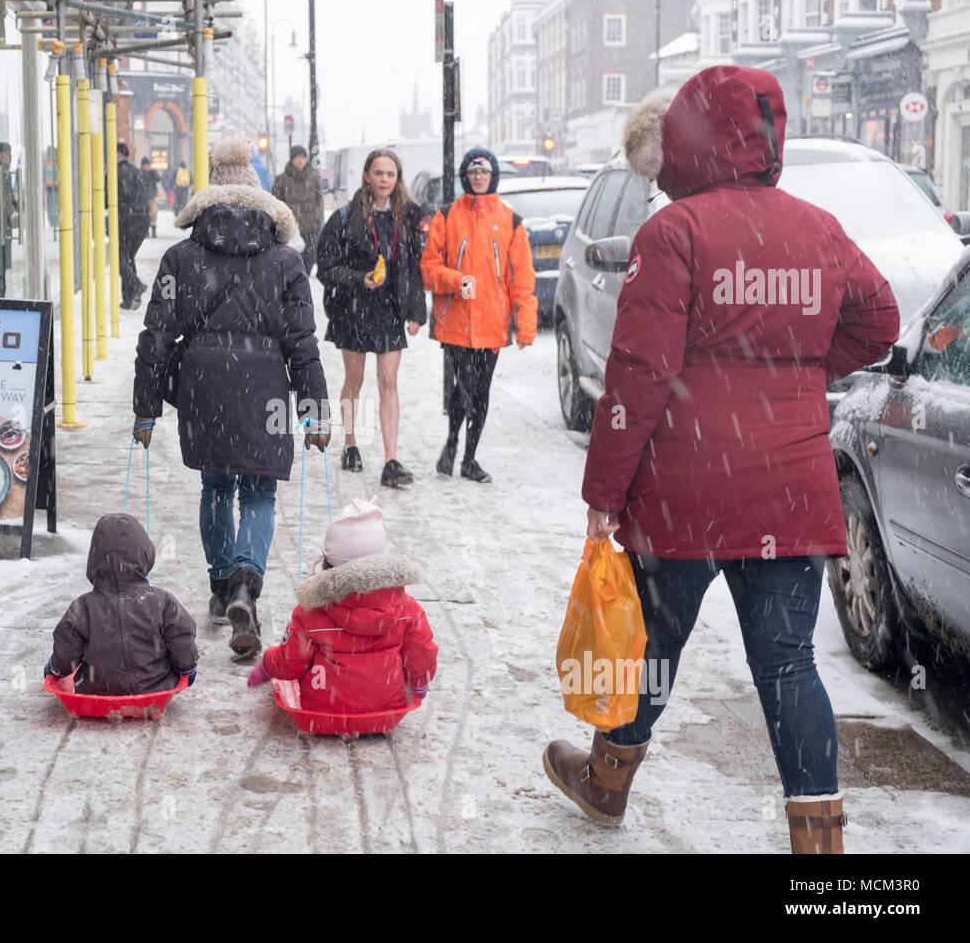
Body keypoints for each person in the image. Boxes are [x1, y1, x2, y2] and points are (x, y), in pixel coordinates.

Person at [542, 66, 900, 853]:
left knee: (655, 649)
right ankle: (820, 845)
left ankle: (607, 781)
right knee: (788, 663)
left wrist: (605, 489)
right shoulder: (819, 226)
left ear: (684, 140)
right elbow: (880, 321)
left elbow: (637, 375)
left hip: (685, 490)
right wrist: (800, 370)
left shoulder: (674, 233)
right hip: (790, 489)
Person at [132, 136, 331, 660]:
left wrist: (145, 408)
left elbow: (155, 335)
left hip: (204, 386)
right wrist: (314, 411)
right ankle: (246, 583)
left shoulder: (180, 257)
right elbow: (303, 343)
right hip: (264, 387)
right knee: (260, 494)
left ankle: (222, 588)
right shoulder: (286, 262)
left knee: (216, 487)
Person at [245, 498, 438, 712]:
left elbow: (290, 663)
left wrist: (267, 664)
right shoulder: (407, 609)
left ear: (329, 559)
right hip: (386, 708)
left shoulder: (310, 612)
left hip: (323, 709)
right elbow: (422, 654)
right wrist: (419, 685)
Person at [420, 147, 537, 484]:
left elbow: (522, 279)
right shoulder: (446, 216)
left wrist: (526, 325)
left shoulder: (511, 221)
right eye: (473, 173)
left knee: (479, 390)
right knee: (468, 384)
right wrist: (456, 281)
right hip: (455, 322)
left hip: (493, 322)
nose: (479, 178)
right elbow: (428, 270)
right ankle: (456, 445)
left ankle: (466, 454)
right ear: (465, 177)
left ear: (493, 176)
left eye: (484, 172)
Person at [316, 149, 427, 489]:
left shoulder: (408, 215)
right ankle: (350, 443)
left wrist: (415, 311)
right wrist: (358, 279)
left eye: (390, 174)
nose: (384, 180)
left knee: (388, 382)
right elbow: (326, 268)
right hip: (354, 308)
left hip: (390, 308)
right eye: (378, 173)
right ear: (367, 175)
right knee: (355, 380)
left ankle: (391, 460)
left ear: (398, 178)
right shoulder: (346, 217)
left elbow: (413, 266)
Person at [43, 513, 199, 695]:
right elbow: (182, 640)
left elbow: (66, 654)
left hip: (98, 690)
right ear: (145, 553)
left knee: (52, 669)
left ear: (94, 559)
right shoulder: (162, 602)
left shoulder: (83, 607)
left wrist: (54, 669)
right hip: (156, 688)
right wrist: (187, 669)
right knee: (188, 670)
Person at [272, 145, 324, 275]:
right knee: (292, 259)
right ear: (291, 159)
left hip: (310, 226)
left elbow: (319, 199)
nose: (300, 160)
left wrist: (317, 217)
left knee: (310, 257)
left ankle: (303, 278)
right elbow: (276, 203)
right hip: (292, 228)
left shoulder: (313, 178)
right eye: (297, 157)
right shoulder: (282, 180)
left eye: (303, 157)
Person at [114, 142, 151, 309]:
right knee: (128, 257)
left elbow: (109, 199)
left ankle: (136, 285)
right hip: (143, 219)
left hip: (127, 219)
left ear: (117, 154)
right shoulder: (136, 171)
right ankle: (130, 297)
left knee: (120, 258)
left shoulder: (115, 172)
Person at [141, 157, 162, 239]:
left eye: (148, 165)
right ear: (142, 166)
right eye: (145, 165)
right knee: (146, 214)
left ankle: (153, 230)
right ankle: (146, 231)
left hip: (153, 196)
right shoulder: (140, 173)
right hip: (144, 197)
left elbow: (159, 179)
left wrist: (153, 172)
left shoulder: (153, 172)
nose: (147, 167)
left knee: (154, 214)